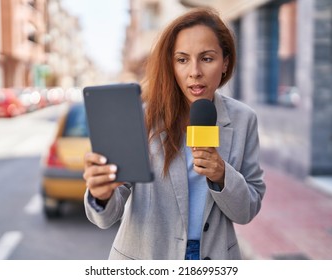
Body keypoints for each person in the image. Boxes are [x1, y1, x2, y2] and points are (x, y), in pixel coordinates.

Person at [83, 7, 266, 260]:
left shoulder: (244, 119)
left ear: (225, 63)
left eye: (207, 58)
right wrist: (100, 196)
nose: (194, 71)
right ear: (171, 65)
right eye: (182, 60)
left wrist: (222, 175)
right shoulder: (142, 117)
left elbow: (247, 209)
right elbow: (106, 216)